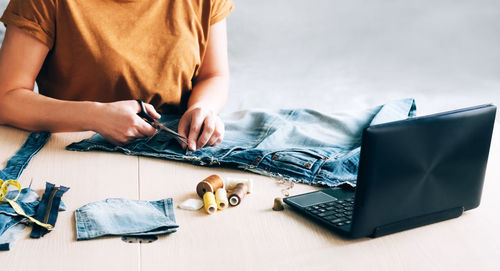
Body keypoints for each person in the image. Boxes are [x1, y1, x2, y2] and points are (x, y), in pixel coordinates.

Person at [0, 0, 233, 151]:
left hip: (178, 149)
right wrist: (94, 116)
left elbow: (213, 75)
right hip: (71, 149)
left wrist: (203, 108)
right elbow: (5, 98)